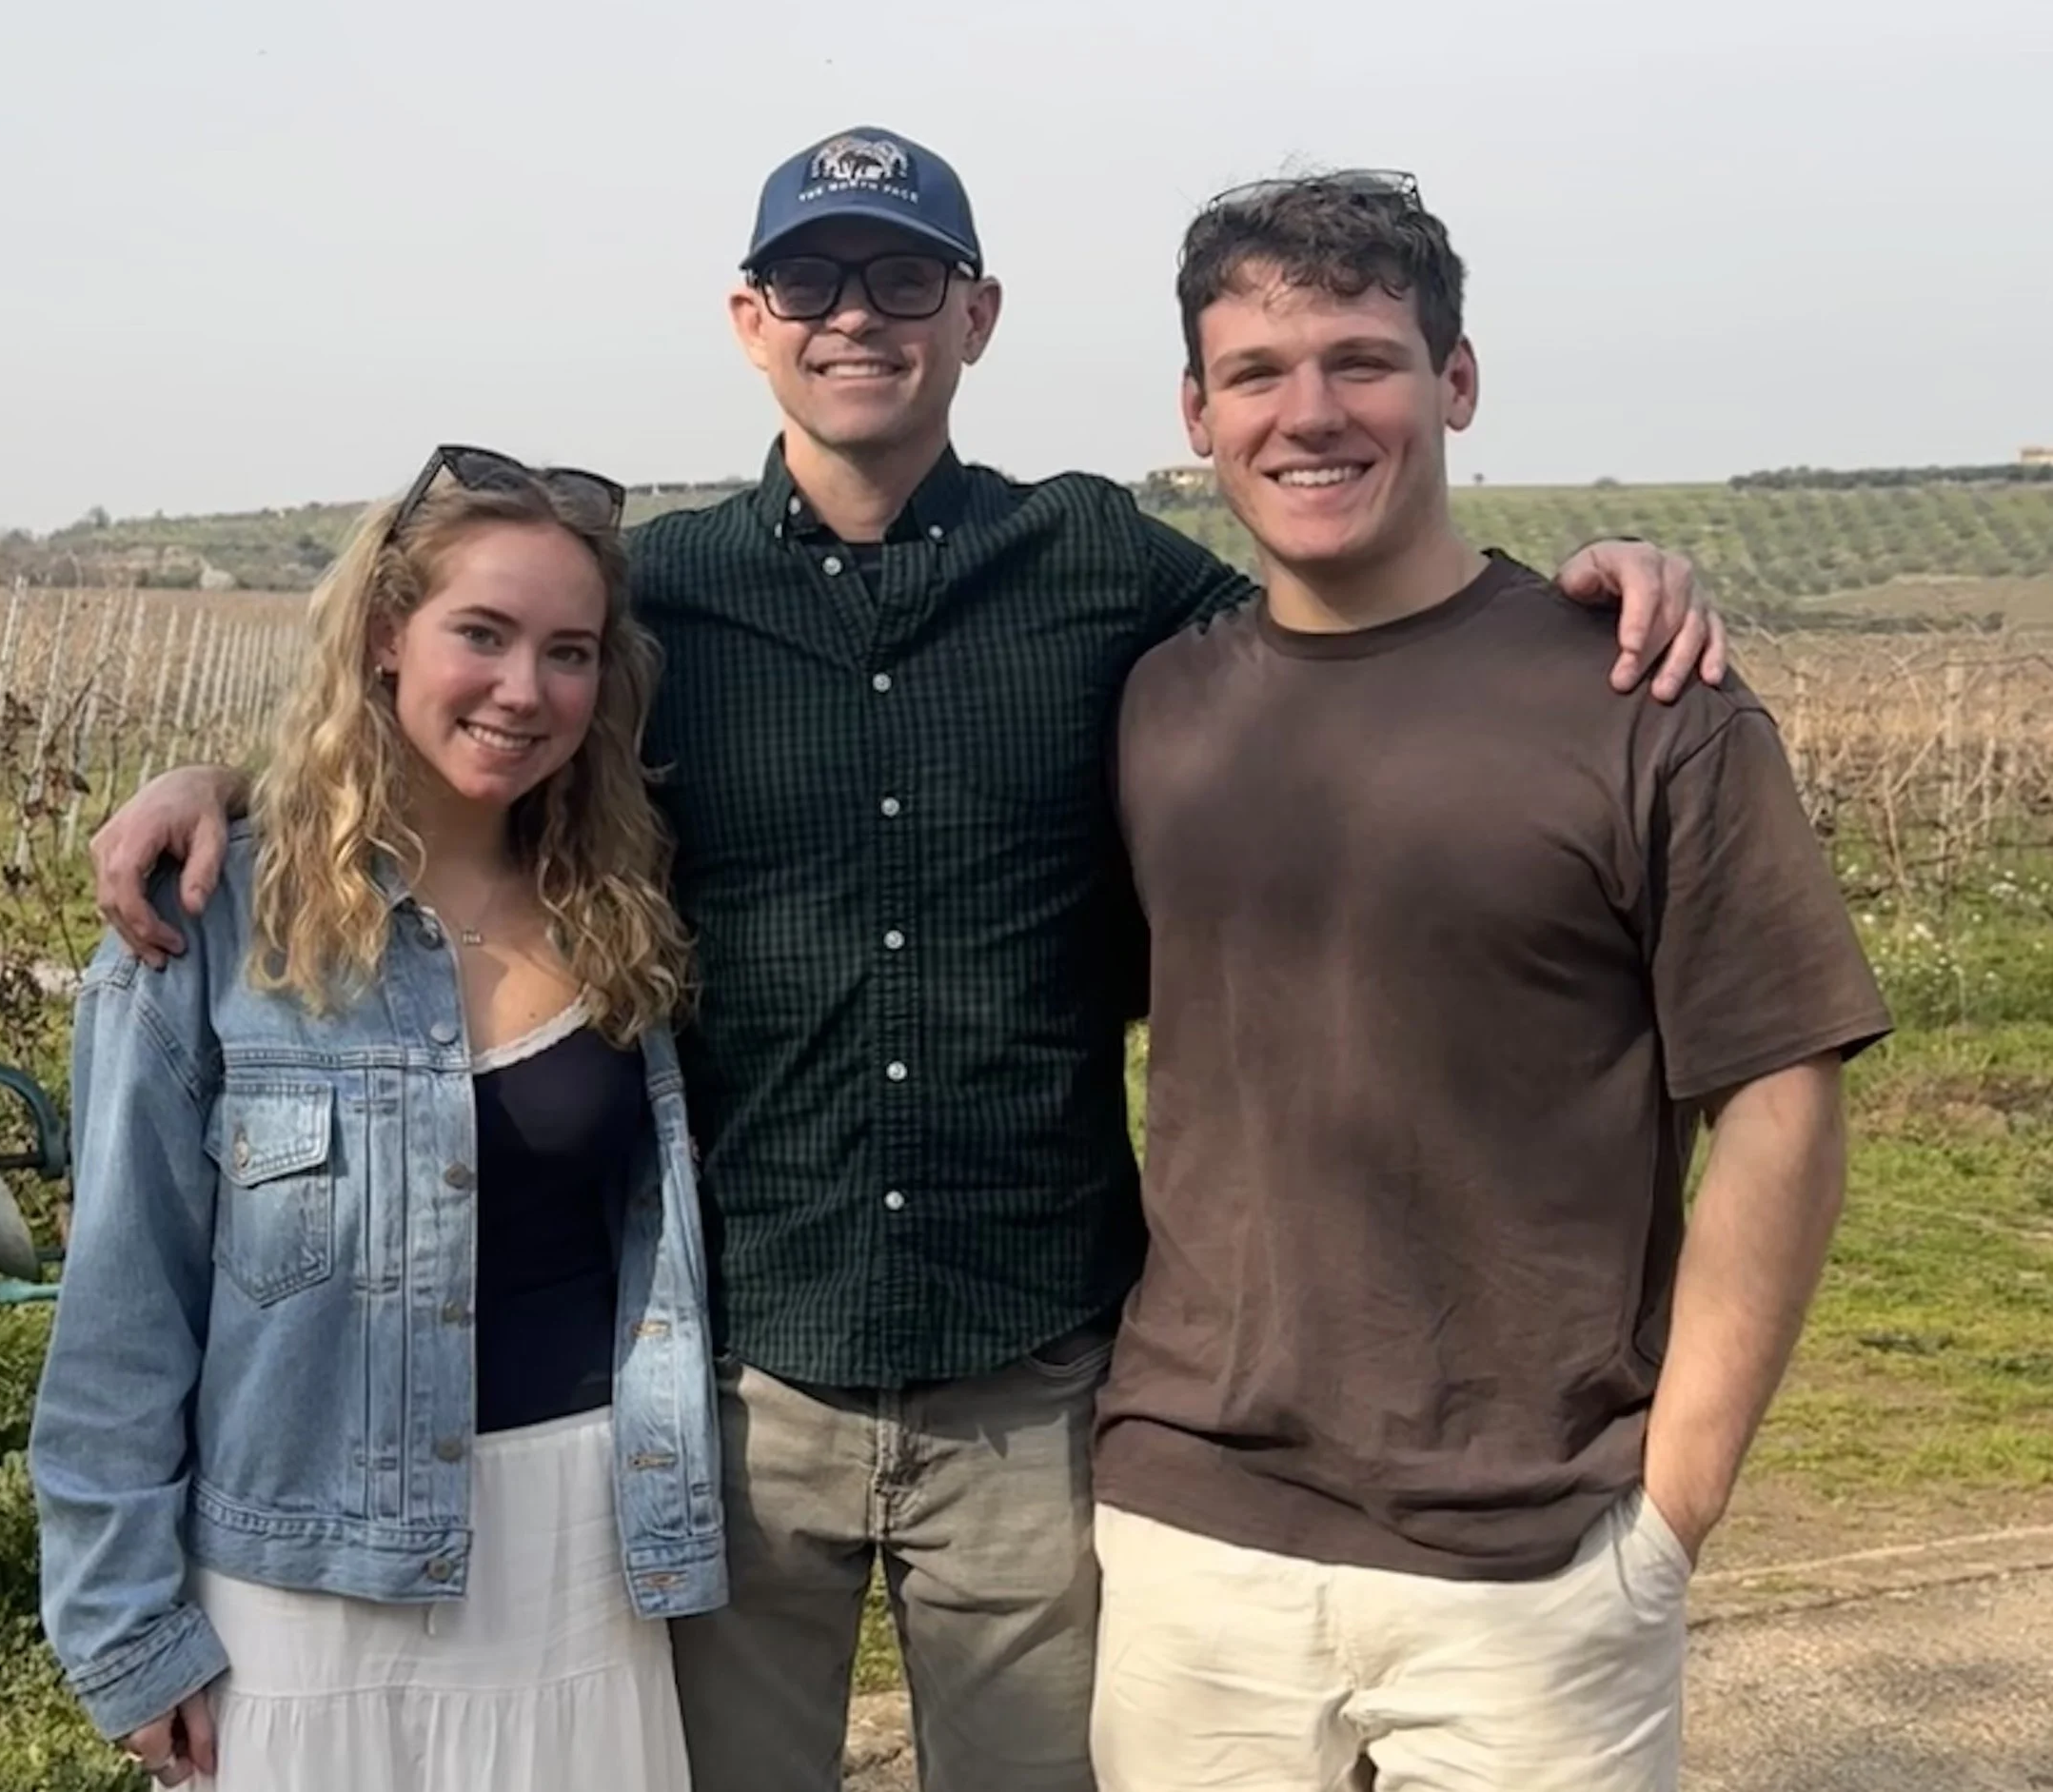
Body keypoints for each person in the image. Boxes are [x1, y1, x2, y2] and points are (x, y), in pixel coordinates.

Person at [86, 129, 1731, 1792]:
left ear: (977, 314)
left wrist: (1580, 590)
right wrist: (233, 790)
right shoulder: (664, 601)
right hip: (738, 1384)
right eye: (810, 277)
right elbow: (478, 728)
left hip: (1033, 1373)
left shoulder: (1101, 568)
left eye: (901, 278)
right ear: (750, 315)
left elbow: (1351, 614)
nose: (852, 315)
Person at [1090, 169, 1892, 1792]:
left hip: (1537, 1559)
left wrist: (1672, 1511)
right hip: (1196, 1537)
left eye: (1362, 359)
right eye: (1255, 372)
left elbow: (1780, 1101)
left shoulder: (1645, 701)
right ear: (1195, 409)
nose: (1309, 412)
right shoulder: (1157, 706)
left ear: (1455, 381)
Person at [30, 447, 726, 1792]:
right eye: (483, 632)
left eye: (569, 650)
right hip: (300, 1593)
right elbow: (124, 1297)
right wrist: (121, 1625)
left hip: (580, 1561)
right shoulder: (211, 925)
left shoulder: (625, 904)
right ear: (382, 636)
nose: (526, 689)